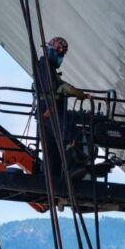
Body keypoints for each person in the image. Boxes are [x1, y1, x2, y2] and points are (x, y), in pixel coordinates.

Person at [34, 36, 88, 179]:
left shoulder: (46, 68)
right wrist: (75, 91)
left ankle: (53, 177)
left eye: (62, 55)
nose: (60, 57)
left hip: (45, 117)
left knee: (52, 154)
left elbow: (57, 85)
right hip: (50, 114)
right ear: (50, 50)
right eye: (59, 53)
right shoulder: (44, 66)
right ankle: (75, 166)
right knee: (71, 133)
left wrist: (76, 92)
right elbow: (54, 87)